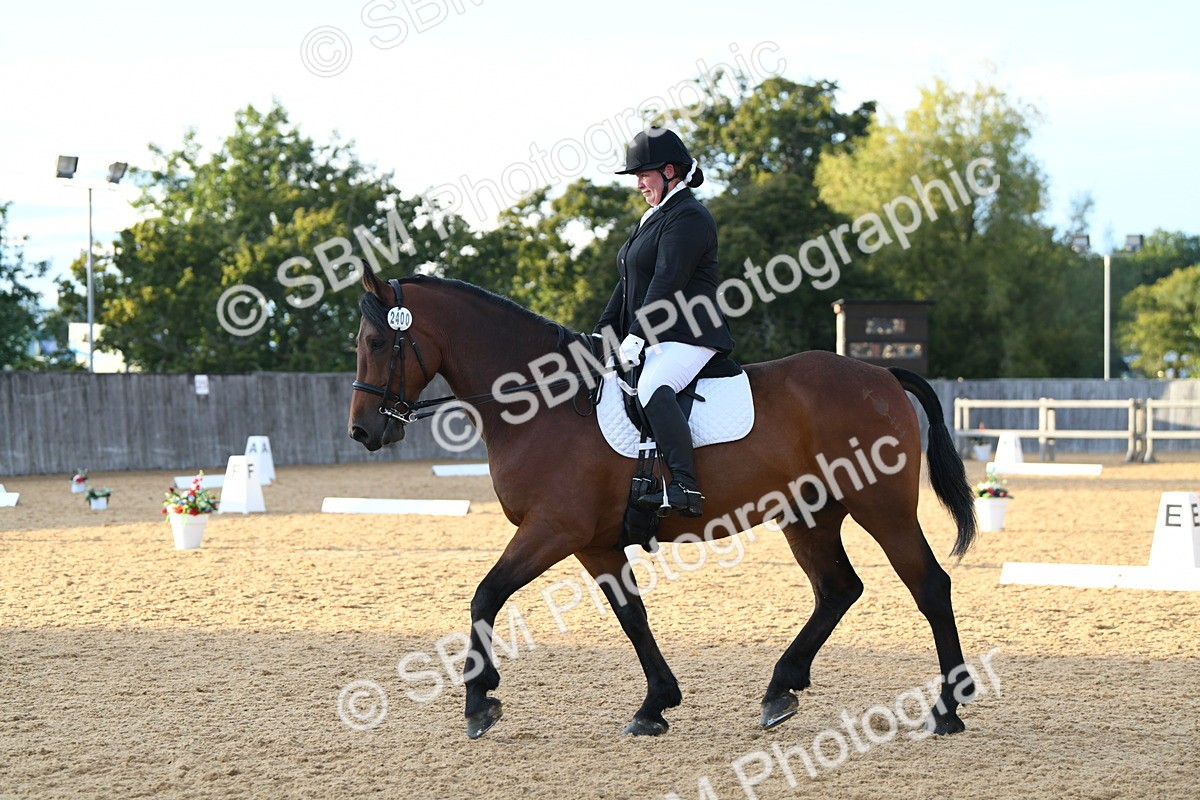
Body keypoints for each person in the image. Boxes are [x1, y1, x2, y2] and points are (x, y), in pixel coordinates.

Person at [594, 127, 735, 518]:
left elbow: (666, 281)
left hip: (690, 334)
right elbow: (626, 285)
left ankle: (686, 485)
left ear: (670, 171)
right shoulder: (653, 218)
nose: (639, 184)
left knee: (653, 385)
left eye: (644, 175)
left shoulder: (689, 216)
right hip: (658, 336)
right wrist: (600, 335)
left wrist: (636, 336)